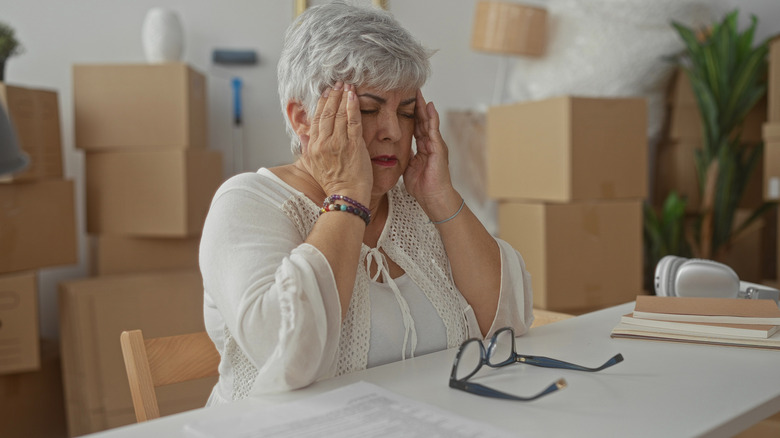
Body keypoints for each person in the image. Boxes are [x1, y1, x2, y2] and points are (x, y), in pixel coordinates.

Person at [199, 0, 533, 405]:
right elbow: (288, 358)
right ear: (302, 118)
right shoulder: (246, 204)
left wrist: (441, 198)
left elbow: (510, 323)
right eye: (369, 109)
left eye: (407, 112)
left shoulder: (413, 203)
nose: (393, 130)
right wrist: (347, 196)